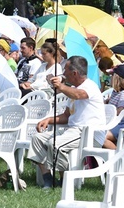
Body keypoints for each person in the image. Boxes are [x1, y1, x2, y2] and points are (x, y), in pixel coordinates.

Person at [27, 56, 105, 189]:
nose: (63, 73)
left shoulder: (90, 86)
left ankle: (64, 182)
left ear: (74, 73)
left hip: (89, 134)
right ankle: (48, 179)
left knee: (55, 143)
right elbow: (66, 116)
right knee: (37, 139)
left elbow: (79, 95)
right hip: (73, 131)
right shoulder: (73, 89)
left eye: (65, 71)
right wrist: (48, 120)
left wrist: (61, 86)